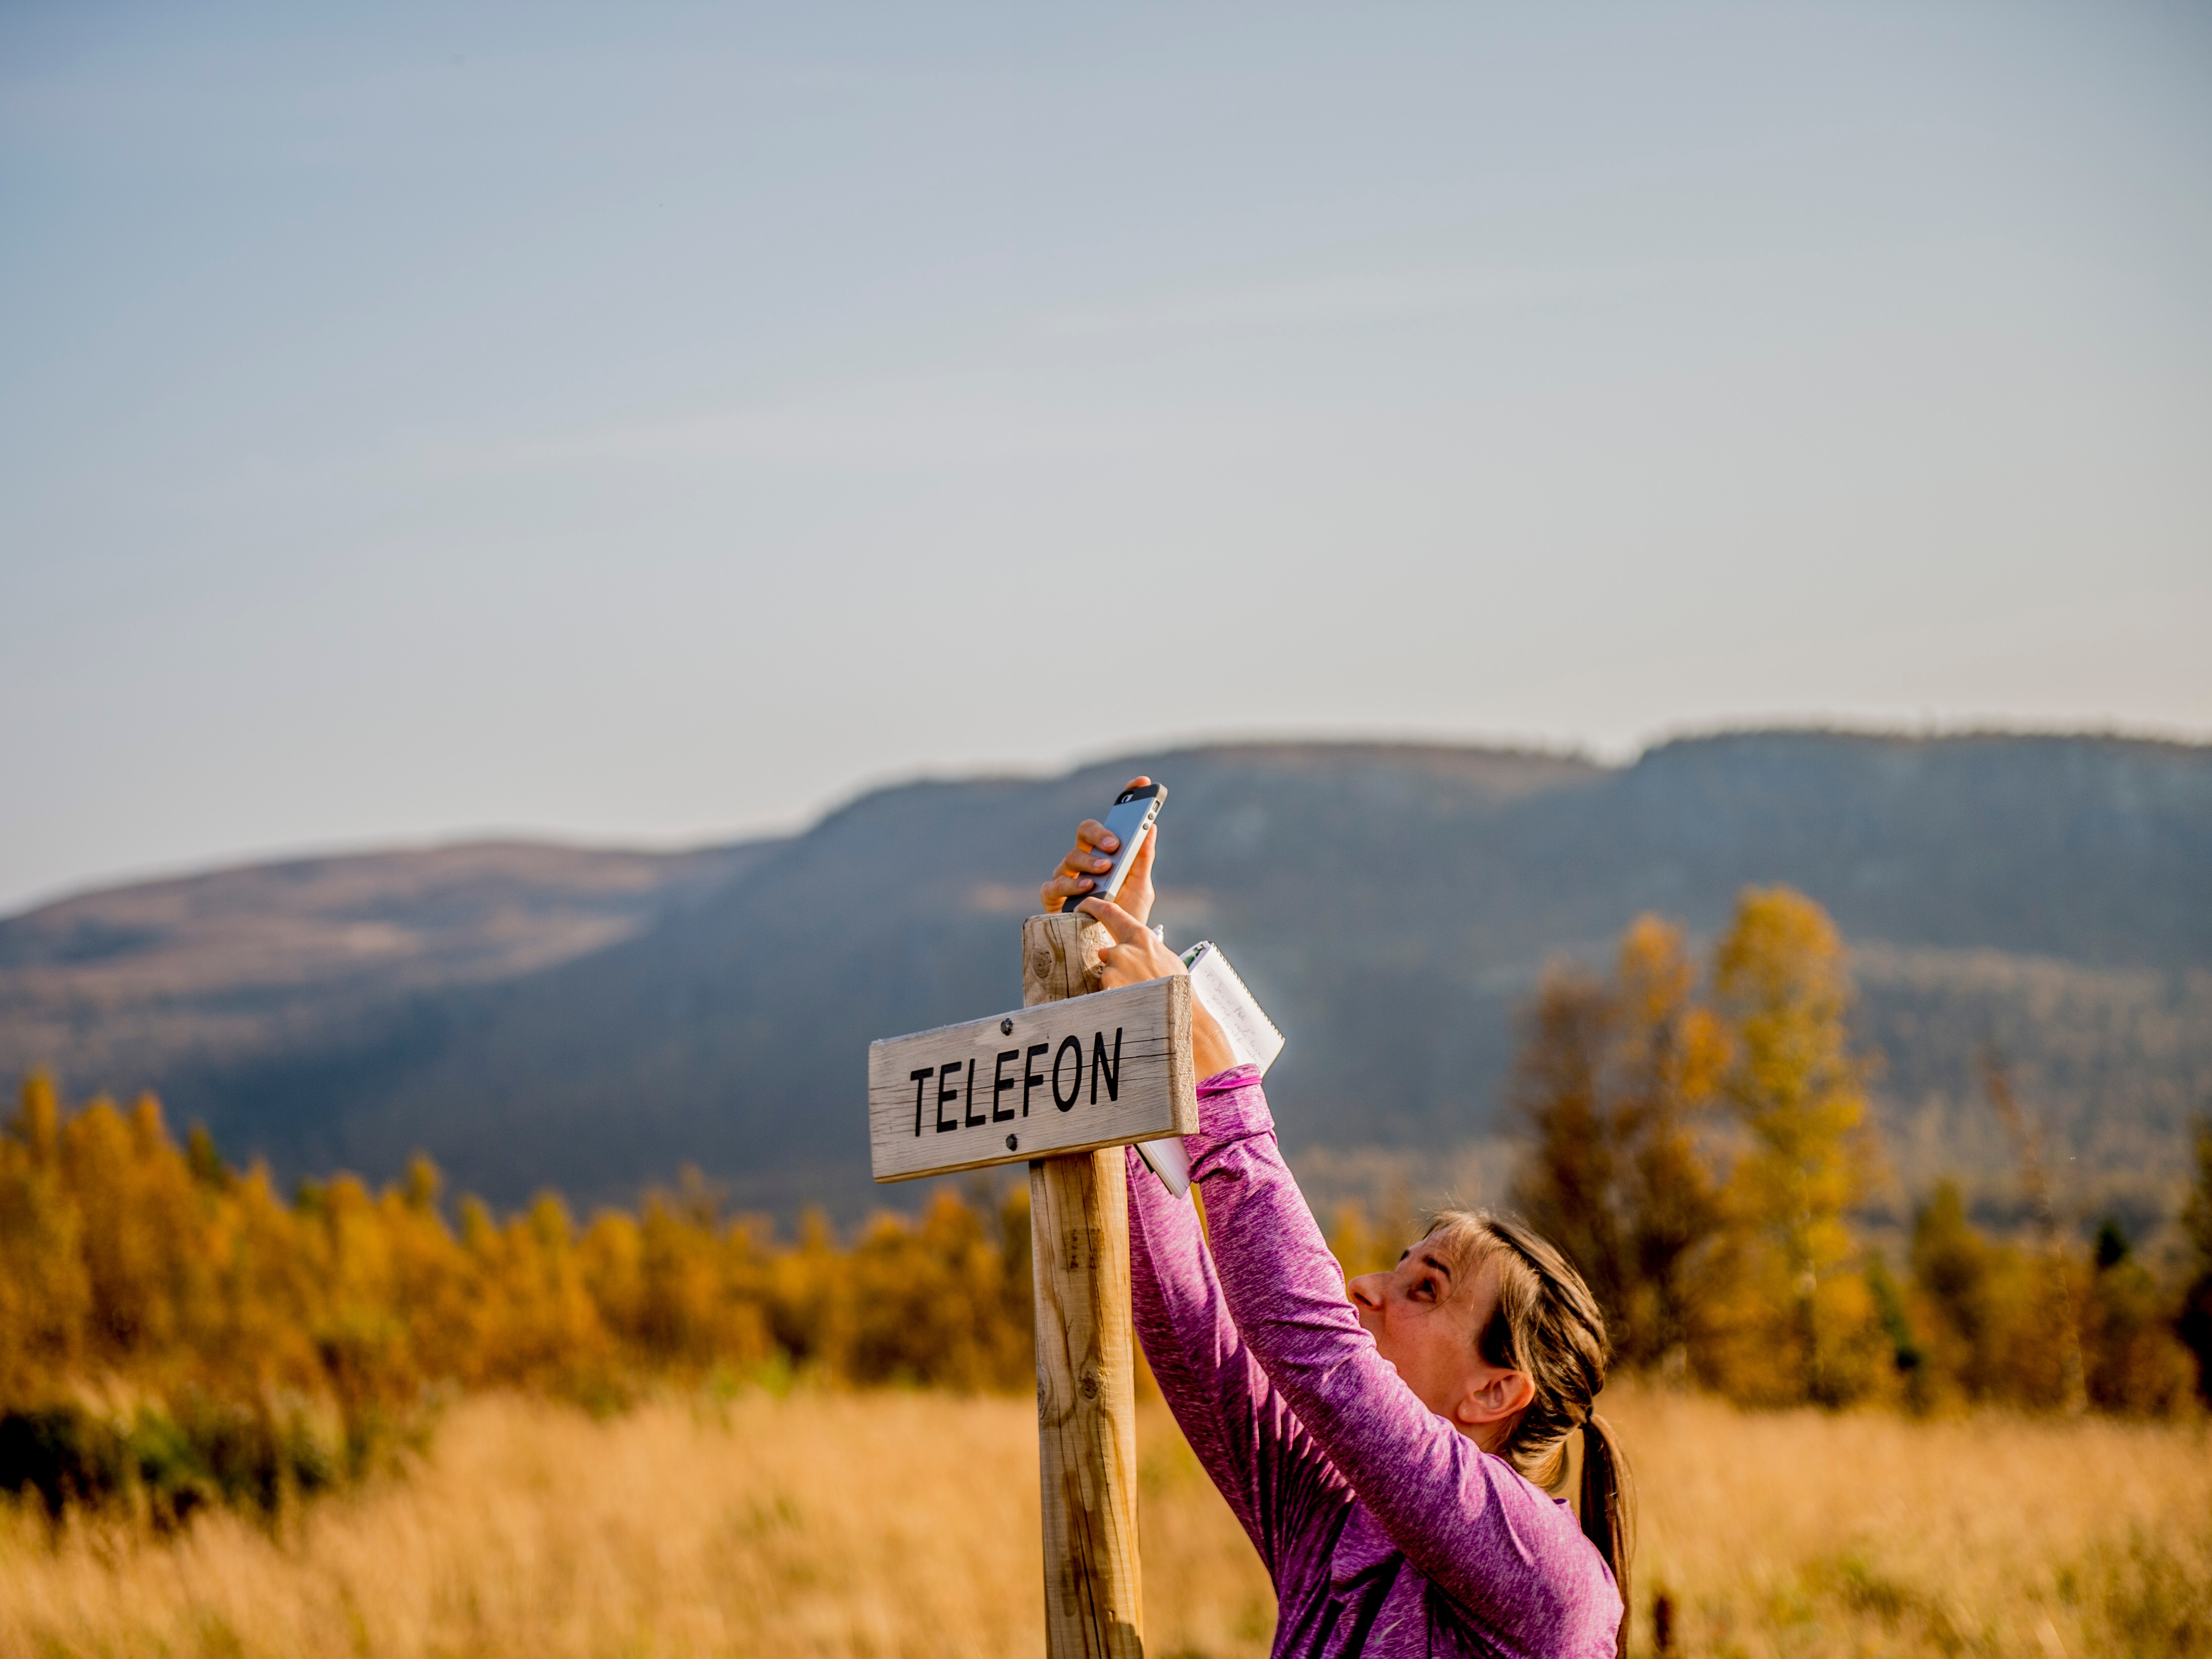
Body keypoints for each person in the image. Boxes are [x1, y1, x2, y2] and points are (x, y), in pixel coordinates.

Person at [1040, 781, 1631, 1659]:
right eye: (1401, 1264)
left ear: (1496, 1392)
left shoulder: (1552, 1587)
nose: (1368, 1287)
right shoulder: (1334, 1520)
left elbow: (1310, 1347)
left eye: (1424, 1289)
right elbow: (1190, 1327)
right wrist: (1120, 998)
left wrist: (1221, 1089)